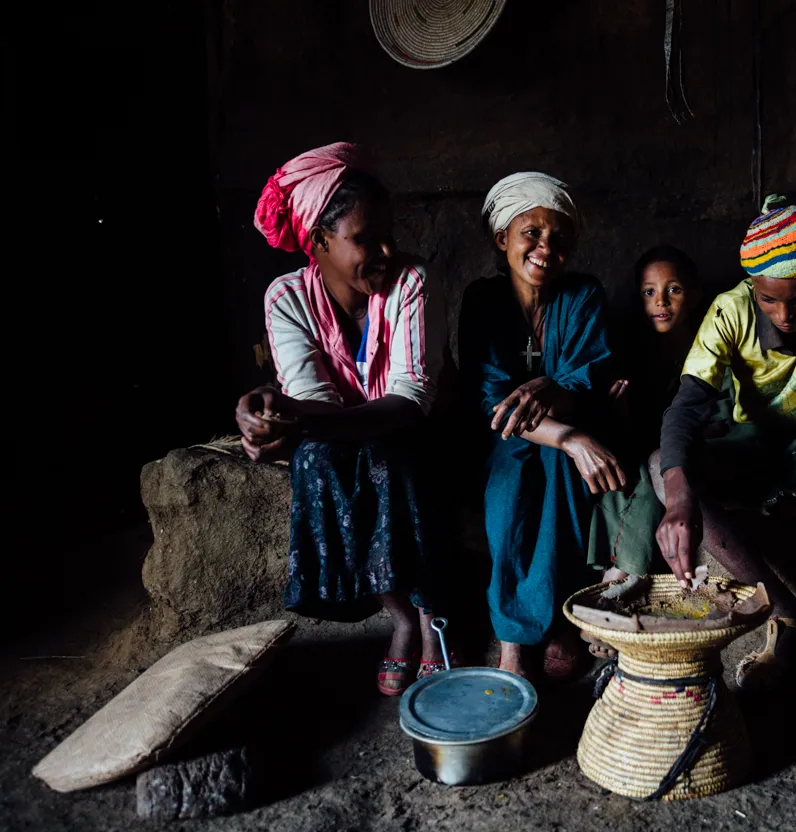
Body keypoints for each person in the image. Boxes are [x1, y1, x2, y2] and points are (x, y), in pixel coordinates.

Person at [235, 143, 451, 697]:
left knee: (393, 451)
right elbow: (312, 399)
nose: (385, 250)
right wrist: (274, 412)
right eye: (364, 239)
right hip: (342, 434)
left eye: (388, 234)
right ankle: (400, 616)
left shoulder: (411, 282)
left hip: (418, 431)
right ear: (318, 242)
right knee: (317, 457)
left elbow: (410, 401)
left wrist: (295, 417)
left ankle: (432, 619)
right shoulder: (287, 299)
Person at [652, 194, 796, 702]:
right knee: (660, 466)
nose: (784, 314)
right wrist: (678, 496)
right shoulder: (730, 310)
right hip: (751, 446)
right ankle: (785, 612)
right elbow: (686, 407)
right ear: (752, 288)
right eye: (768, 300)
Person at [460, 172, 628, 681]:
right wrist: (570, 437)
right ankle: (512, 638)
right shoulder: (483, 299)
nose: (545, 248)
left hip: (569, 426)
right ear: (502, 239)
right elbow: (491, 400)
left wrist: (556, 396)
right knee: (512, 469)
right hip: (502, 436)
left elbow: (587, 376)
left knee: (560, 470)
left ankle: (556, 617)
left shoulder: (582, 294)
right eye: (530, 233)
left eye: (558, 237)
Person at [587, 246, 705, 583]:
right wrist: (620, 412)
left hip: (697, 452)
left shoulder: (709, 347)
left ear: (694, 295)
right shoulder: (632, 358)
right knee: (631, 471)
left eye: (674, 290)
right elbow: (632, 435)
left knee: (655, 465)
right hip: (647, 455)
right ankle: (620, 570)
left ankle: (622, 573)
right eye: (649, 292)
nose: (661, 302)